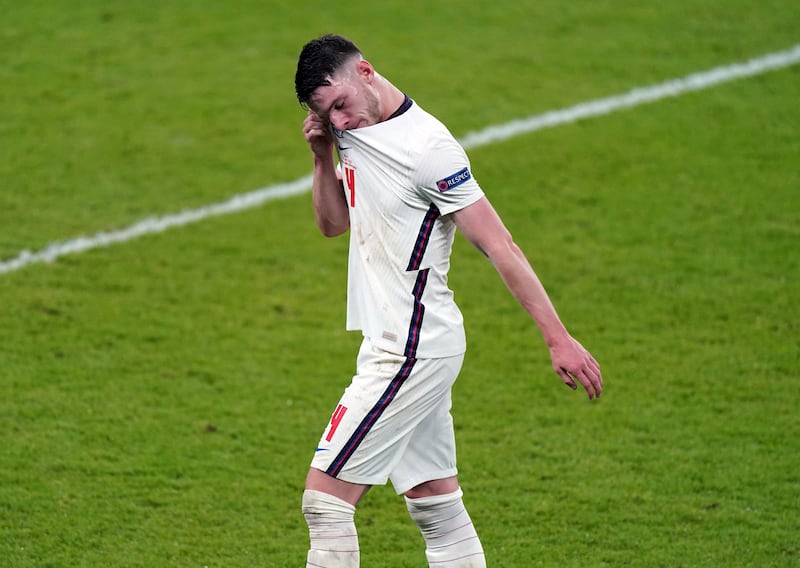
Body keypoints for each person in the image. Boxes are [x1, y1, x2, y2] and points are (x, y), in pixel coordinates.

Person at [294, 34, 603, 568]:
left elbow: (500, 245)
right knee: (435, 507)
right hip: (395, 342)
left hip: (412, 349)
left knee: (325, 502)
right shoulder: (348, 133)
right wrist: (323, 156)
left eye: (340, 106)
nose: (339, 122)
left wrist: (558, 338)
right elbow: (332, 225)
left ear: (365, 72)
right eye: (327, 115)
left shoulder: (429, 152)